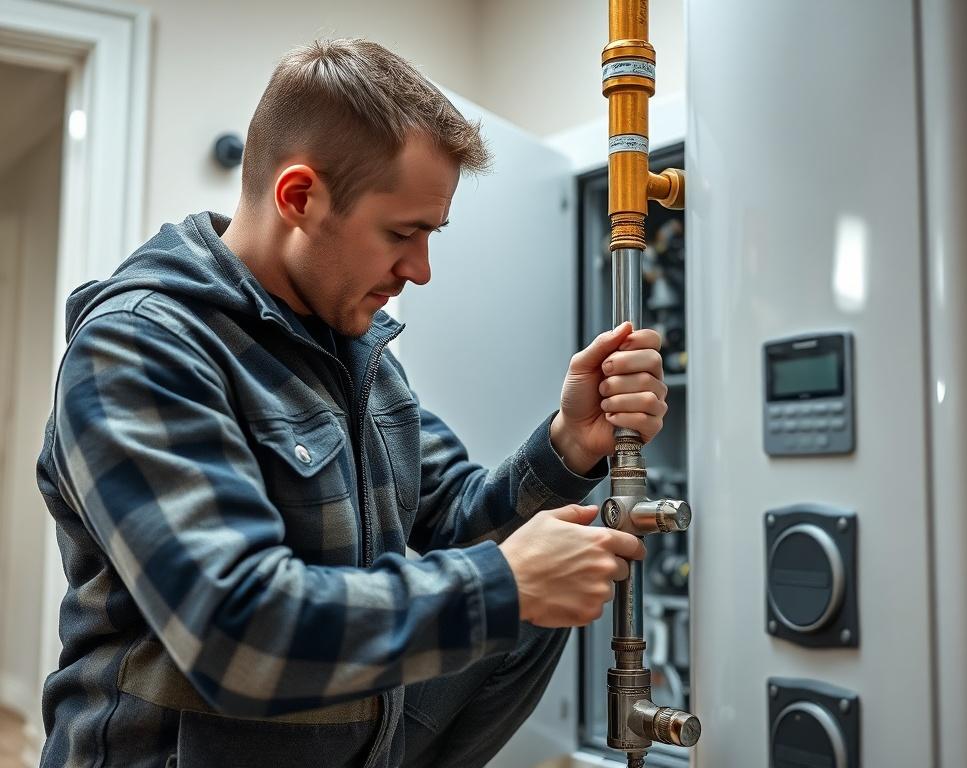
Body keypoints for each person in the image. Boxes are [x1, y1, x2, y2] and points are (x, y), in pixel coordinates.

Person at [37, 39, 668, 768]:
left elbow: (451, 525)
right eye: (403, 233)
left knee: (525, 611)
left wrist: (569, 445)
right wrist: (502, 586)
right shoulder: (141, 349)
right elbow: (235, 629)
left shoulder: (356, 350)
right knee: (505, 594)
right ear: (299, 196)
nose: (420, 271)